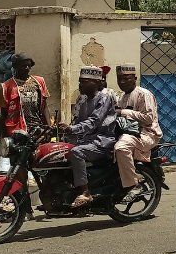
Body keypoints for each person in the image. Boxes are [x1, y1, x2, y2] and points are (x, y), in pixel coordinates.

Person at [63, 66, 118, 211]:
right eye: (80, 81)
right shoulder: (85, 101)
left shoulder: (105, 98)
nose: (80, 85)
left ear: (97, 83)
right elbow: (78, 122)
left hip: (102, 141)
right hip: (87, 140)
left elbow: (94, 121)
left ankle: (85, 192)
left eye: (84, 82)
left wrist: (72, 129)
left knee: (77, 152)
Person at [114, 64, 162, 203]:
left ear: (135, 78)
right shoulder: (122, 97)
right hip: (129, 133)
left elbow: (148, 118)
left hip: (146, 134)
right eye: (119, 79)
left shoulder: (143, 94)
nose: (122, 82)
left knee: (121, 148)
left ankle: (134, 185)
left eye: (126, 78)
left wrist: (124, 112)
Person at [0, 54, 49, 135]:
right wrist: (4, 135)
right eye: (23, 66)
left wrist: (48, 127)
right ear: (15, 67)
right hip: (17, 130)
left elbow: (44, 106)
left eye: (29, 65)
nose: (27, 68)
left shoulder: (39, 82)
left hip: (38, 127)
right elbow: (3, 113)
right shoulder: (6, 86)